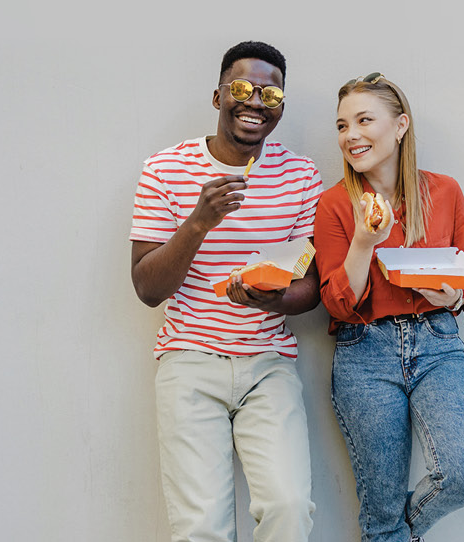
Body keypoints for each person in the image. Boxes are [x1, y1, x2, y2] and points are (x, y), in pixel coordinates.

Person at [128, 41, 324, 542]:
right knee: (201, 529)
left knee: (289, 505)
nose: (255, 102)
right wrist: (199, 222)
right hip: (190, 361)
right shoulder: (165, 169)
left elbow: (311, 286)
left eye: (270, 94)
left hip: (268, 364)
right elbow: (148, 288)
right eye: (241, 88)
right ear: (217, 97)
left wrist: (273, 298)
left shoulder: (301, 176)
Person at [314, 72, 464, 542]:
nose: (350, 135)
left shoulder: (445, 192)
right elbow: (337, 302)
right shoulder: (334, 205)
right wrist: (363, 244)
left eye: (364, 120)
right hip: (364, 352)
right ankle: (385, 529)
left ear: (400, 125)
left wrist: (453, 295)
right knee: (381, 502)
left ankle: (388, 534)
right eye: (341, 125)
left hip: (438, 344)